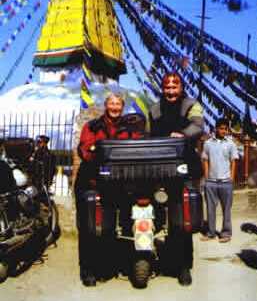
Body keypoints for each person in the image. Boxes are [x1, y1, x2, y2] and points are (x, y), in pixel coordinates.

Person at [74, 93, 145, 287]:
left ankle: (120, 263)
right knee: (89, 228)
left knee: (124, 223)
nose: (115, 107)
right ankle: (88, 269)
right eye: (111, 103)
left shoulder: (130, 126)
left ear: (122, 107)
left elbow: (138, 147)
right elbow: (84, 149)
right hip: (92, 182)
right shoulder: (93, 126)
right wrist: (98, 152)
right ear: (106, 106)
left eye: (118, 104)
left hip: (120, 184)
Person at [149, 72, 204, 286]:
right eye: (167, 87)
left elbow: (198, 126)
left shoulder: (192, 105)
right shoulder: (153, 109)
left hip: (186, 168)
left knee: (182, 221)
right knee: (157, 216)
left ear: (181, 87)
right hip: (160, 170)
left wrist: (183, 134)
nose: (171, 91)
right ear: (162, 89)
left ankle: (183, 267)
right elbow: (147, 135)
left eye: (175, 86)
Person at [201, 118, 239, 243]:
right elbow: (205, 160)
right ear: (216, 128)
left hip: (226, 182)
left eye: (226, 129)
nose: (224, 131)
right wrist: (207, 178)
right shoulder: (208, 143)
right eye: (221, 128)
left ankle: (226, 233)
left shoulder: (231, 144)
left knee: (226, 209)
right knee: (211, 209)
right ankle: (211, 233)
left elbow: (233, 161)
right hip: (211, 182)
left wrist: (231, 179)